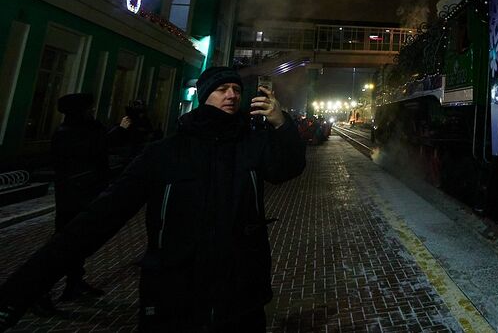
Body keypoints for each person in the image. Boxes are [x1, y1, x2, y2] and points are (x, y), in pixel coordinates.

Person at [0, 66, 306, 332]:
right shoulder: (164, 153)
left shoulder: (250, 146)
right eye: (221, 89)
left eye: (236, 90)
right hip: (175, 297)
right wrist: (19, 291)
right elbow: (97, 220)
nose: (231, 95)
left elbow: (288, 168)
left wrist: (282, 124)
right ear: (204, 96)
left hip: (241, 296)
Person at [50, 92, 131, 302]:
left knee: (78, 244)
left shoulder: (82, 129)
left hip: (83, 193)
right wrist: (120, 130)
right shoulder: (68, 133)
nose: (92, 111)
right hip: (74, 197)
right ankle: (41, 294)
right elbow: (94, 149)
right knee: (64, 245)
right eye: (88, 108)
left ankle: (74, 284)